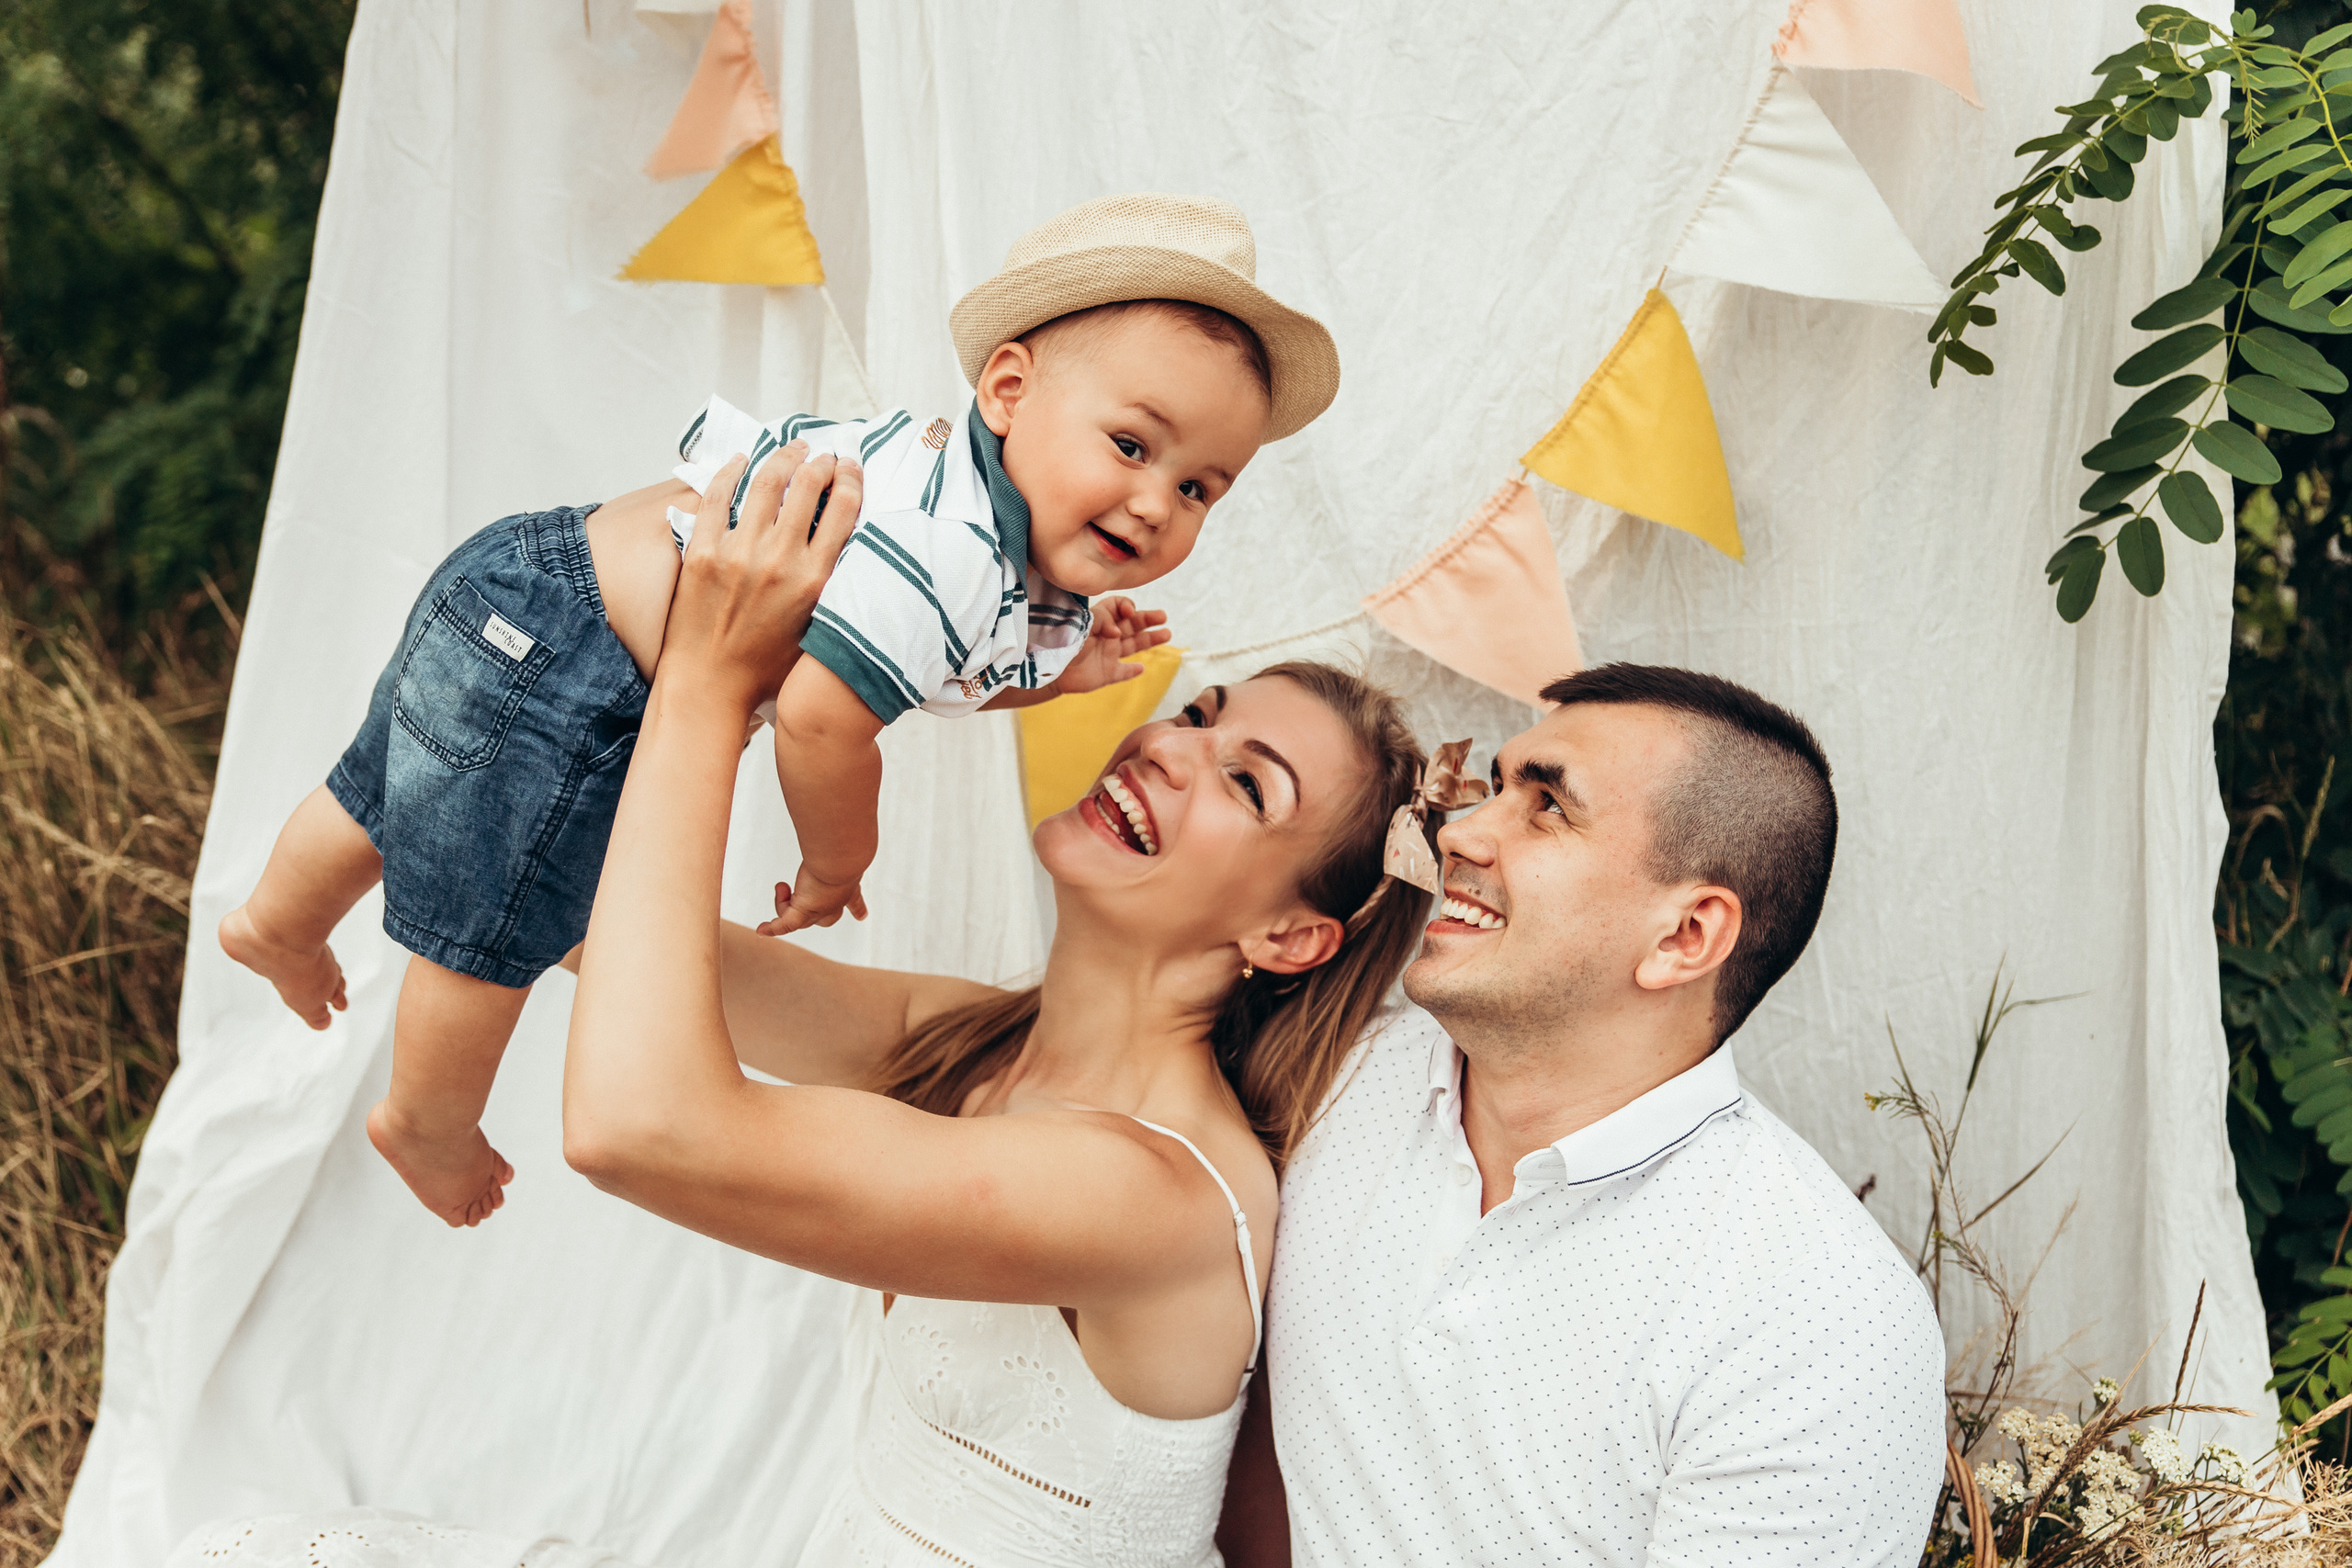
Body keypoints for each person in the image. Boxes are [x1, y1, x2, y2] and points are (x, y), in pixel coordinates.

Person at [214, 190, 1341, 1228]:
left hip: (526, 575)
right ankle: (426, 1116)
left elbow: (946, 669)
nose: (1155, 502)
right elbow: (819, 721)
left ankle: (277, 917)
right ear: (1008, 391)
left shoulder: (977, 531)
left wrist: (1065, 670)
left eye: (1199, 487)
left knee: (393, 778)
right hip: (582, 659)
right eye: (1133, 446)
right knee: (499, 913)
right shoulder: (951, 555)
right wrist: (837, 862)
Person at [1215, 663, 1950, 1565]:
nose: (1460, 834)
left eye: (1547, 808)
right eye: (1493, 788)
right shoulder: (1330, 1071)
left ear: (1685, 937)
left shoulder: (1819, 1320)